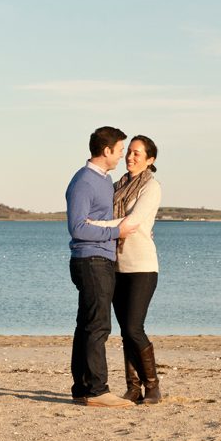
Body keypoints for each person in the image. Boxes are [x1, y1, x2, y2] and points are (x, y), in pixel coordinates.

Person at [65, 126, 139, 408]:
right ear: (106, 150)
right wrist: (115, 232)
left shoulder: (104, 181)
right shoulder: (85, 181)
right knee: (97, 326)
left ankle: (83, 389)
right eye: (120, 150)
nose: (122, 155)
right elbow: (78, 226)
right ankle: (97, 391)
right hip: (91, 259)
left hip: (99, 258)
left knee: (87, 324)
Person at [88, 135, 162, 404]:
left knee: (133, 328)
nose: (130, 157)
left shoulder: (151, 187)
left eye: (137, 154)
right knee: (124, 330)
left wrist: (93, 226)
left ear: (150, 160)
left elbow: (132, 221)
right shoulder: (117, 186)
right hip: (116, 264)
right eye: (128, 152)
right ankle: (133, 387)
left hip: (142, 266)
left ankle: (152, 386)